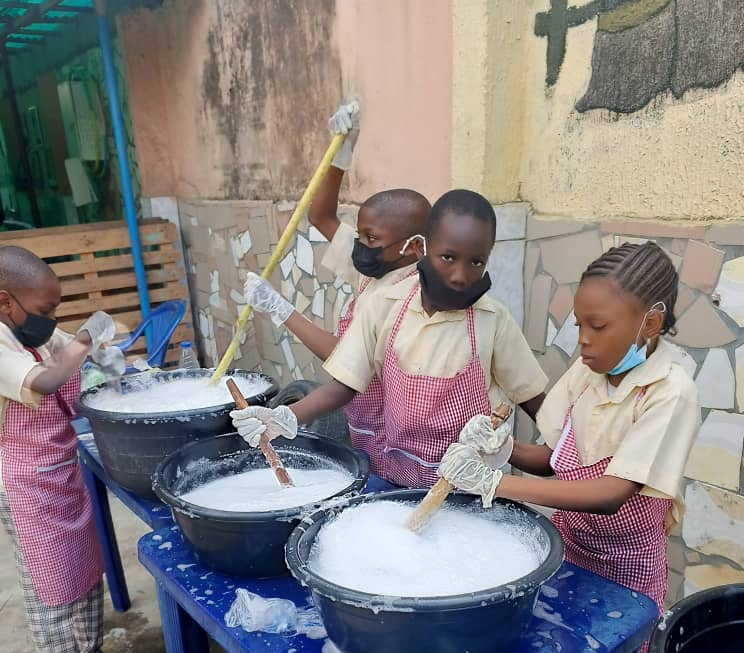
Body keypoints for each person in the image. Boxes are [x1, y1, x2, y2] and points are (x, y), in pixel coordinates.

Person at [438, 241, 700, 610]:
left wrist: (494, 483)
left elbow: (610, 494)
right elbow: (552, 458)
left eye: (599, 326)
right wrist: (501, 448)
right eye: (580, 325)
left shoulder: (669, 393)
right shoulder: (587, 373)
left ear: (650, 323)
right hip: (571, 544)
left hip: (627, 569)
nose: (583, 341)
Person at [231, 189, 548, 489]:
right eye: (448, 257)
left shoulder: (492, 320)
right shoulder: (385, 304)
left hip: (467, 487)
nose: (460, 276)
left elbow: (536, 404)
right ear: (423, 249)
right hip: (393, 475)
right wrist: (285, 417)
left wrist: (521, 451)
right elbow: (346, 384)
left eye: (476, 262)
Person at [0, 246, 140, 653]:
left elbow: (80, 359)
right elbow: (49, 378)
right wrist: (84, 337)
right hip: (24, 484)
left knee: (84, 569)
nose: (52, 320)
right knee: (51, 595)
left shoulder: (30, 329)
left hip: (59, 471)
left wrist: (111, 357)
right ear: (5, 301)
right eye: (45, 310)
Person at [240, 100, 431, 466]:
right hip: (364, 423)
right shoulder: (378, 267)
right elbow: (321, 216)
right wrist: (341, 153)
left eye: (370, 238)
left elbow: (342, 355)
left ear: (413, 247)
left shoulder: (409, 297)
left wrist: (281, 309)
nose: (360, 245)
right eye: (359, 234)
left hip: (392, 437)